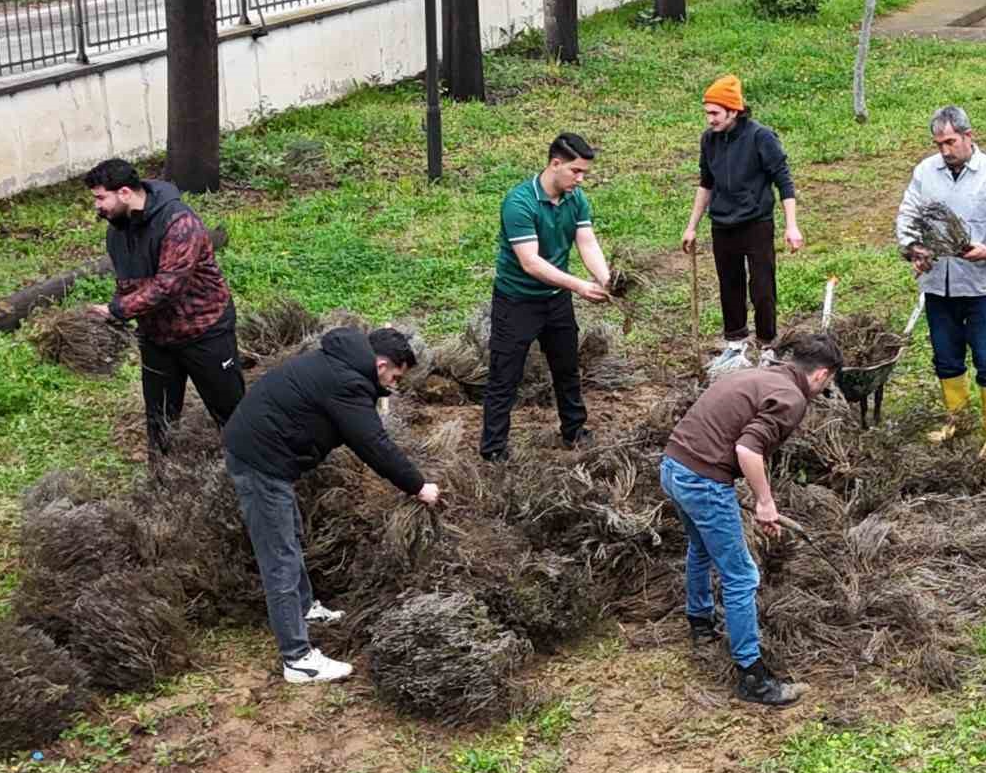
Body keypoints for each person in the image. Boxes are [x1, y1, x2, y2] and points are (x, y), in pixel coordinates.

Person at [223, 327, 441, 684]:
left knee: (290, 534)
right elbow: (374, 444)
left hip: (268, 454)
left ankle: (304, 608)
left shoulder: (341, 361)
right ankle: (297, 659)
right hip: (259, 460)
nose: (395, 385)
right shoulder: (348, 384)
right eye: (396, 377)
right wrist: (418, 486)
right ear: (381, 365)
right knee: (280, 557)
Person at [660, 332, 842, 706]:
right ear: (822, 374)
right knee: (742, 575)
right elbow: (747, 449)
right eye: (829, 382)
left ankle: (700, 622)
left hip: (673, 465)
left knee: (701, 547)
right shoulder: (792, 398)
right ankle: (753, 677)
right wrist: (765, 502)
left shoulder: (760, 374)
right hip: (702, 481)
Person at [83, 159, 245, 458]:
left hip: (203, 330)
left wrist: (118, 310)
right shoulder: (117, 231)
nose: (97, 206)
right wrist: (117, 312)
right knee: (159, 419)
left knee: (232, 413)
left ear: (124, 193)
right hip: (157, 337)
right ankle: (160, 475)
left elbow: (169, 286)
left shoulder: (178, 223)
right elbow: (128, 282)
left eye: (100, 198)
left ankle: (251, 468)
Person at [894, 105, 986, 451]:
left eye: (950, 142)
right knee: (946, 357)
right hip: (938, 285)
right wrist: (913, 247)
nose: (944, 150)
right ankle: (957, 422)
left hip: (981, 287)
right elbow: (908, 214)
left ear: (969, 136)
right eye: (939, 144)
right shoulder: (925, 172)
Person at [479, 133, 612, 463]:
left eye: (584, 173)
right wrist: (579, 286)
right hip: (517, 302)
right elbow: (531, 262)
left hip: (556, 300)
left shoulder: (575, 199)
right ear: (555, 164)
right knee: (504, 376)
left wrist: (607, 279)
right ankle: (494, 449)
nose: (580, 180)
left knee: (567, 368)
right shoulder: (519, 203)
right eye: (576, 171)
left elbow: (587, 242)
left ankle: (574, 430)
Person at [681, 75, 802, 366]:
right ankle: (735, 345)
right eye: (707, 113)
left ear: (733, 111)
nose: (710, 119)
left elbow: (783, 181)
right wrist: (692, 226)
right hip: (722, 224)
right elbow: (706, 183)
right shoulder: (709, 140)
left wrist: (791, 225)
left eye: (715, 113)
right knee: (729, 285)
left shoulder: (761, 137)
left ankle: (767, 345)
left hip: (756, 223)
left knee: (762, 287)